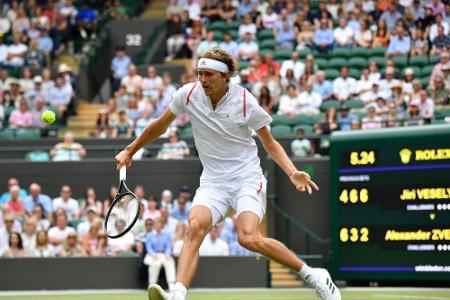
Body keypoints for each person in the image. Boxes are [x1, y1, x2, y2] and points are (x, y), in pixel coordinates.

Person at [115, 47, 340, 300]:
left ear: (225, 76)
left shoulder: (245, 101)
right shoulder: (188, 95)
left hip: (247, 177)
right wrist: (130, 150)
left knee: (248, 237)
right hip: (213, 181)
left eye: (209, 74)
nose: (202, 80)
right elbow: (160, 124)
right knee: (195, 226)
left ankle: (314, 275)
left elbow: (270, 142)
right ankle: (177, 294)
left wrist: (292, 171)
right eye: (200, 73)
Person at [144, 217, 177, 289]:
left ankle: (171, 286)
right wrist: (154, 255)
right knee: (155, 263)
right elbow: (148, 247)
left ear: (162, 225)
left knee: (170, 261)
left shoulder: (167, 234)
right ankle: (152, 286)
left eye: (159, 223)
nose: (157, 225)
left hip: (164, 254)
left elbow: (168, 246)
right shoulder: (150, 235)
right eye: (156, 223)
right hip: (152, 255)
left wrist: (167, 255)